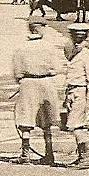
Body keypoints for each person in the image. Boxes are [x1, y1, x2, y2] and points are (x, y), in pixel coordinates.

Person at [11, 18, 64, 165]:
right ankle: (49, 153)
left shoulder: (21, 48)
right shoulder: (49, 47)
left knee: (26, 119)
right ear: (40, 29)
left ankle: (25, 154)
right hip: (46, 83)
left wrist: (24, 80)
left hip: (28, 84)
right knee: (46, 120)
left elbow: (17, 73)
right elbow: (56, 69)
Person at [61, 23, 89, 166]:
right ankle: (81, 155)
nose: (76, 38)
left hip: (81, 92)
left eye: (79, 36)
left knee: (75, 125)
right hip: (73, 92)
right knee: (76, 124)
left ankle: (84, 156)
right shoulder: (75, 52)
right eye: (74, 35)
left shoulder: (86, 55)